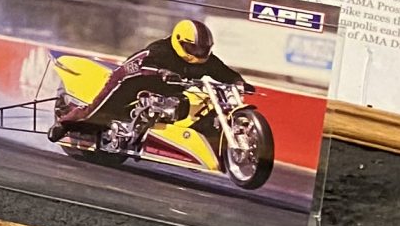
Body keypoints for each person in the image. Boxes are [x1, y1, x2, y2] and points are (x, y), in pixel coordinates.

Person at [49, 18, 250, 146]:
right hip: (130, 82)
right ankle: (64, 123)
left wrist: (239, 82)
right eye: (193, 48)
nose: (199, 53)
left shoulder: (206, 59)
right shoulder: (160, 50)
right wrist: (161, 72)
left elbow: (223, 72)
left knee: (190, 103)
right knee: (97, 113)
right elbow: (142, 66)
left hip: (165, 89)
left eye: (202, 49)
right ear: (179, 41)